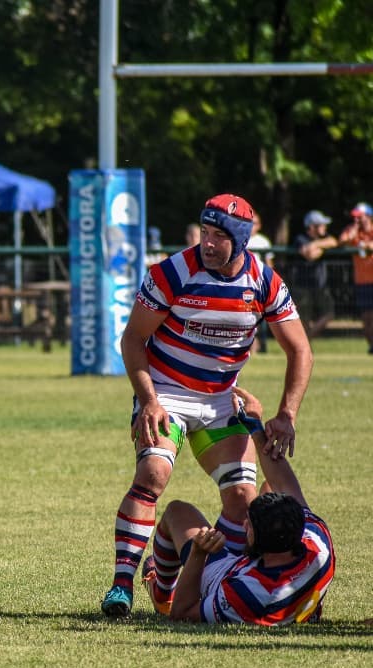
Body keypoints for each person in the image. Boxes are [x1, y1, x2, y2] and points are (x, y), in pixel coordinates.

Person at [100, 193, 313, 619]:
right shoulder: (172, 273)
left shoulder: (265, 283)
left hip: (220, 401)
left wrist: (287, 414)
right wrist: (149, 401)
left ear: (242, 239)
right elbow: (132, 340)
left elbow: (301, 351)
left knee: (242, 498)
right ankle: (122, 583)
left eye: (219, 236)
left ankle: (189, 583)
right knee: (153, 472)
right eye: (204, 232)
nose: (208, 243)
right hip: (166, 393)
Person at [142, 386, 334, 625]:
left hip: (230, 575)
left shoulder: (243, 596)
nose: (244, 523)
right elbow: (285, 482)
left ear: (255, 539)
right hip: (283, 579)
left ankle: (161, 593)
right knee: (271, 487)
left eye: (249, 525)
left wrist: (198, 554)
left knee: (178, 512)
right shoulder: (318, 541)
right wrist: (255, 425)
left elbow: (183, 613)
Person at [289, 209, 338, 338]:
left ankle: (307, 337)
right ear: (312, 226)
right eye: (321, 224)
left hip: (320, 286)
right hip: (302, 286)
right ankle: (305, 347)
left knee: (329, 313)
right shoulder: (300, 239)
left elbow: (334, 241)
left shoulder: (321, 239)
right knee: (304, 319)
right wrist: (320, 248)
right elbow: (310, 255)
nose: (324, 227)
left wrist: (317, 244)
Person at [338, 202, 373, 353]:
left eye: (361, 217)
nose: (357, 220)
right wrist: (354, 230)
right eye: (355, 217)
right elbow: (342, 241)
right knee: (366, 319)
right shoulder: (353, 231)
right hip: (363, 281)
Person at [245, 212, 275, 353]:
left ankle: (257, 349)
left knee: (257, 320)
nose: (252, 226)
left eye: (255, 223)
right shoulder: (241, 239)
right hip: (243, 284)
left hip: (258, 285)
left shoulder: (263, 241)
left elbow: (269, 264)